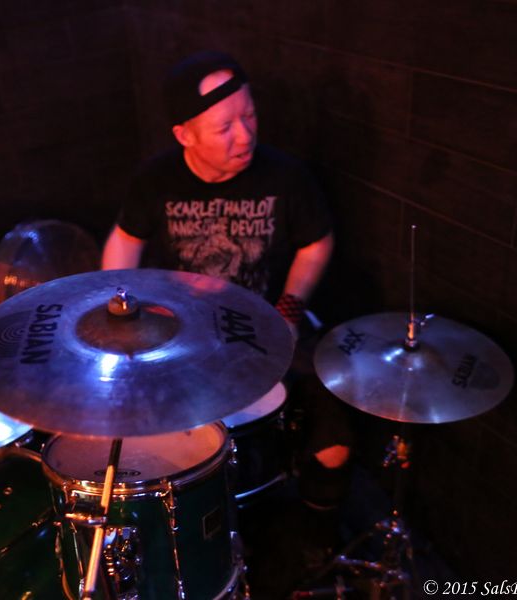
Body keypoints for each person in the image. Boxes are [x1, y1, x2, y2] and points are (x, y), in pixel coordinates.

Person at [102, 50, 352, 590]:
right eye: (224, 127)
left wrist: (289, 308)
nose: (245, 136)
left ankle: (317, 531)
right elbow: (124, 243)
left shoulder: (287, 176)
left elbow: (316, 242)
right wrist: (116, 311)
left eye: (250, 115)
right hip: (181, 336)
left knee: (334, 434)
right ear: (184, 135)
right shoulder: (156, 179)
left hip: (269, 325)